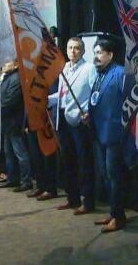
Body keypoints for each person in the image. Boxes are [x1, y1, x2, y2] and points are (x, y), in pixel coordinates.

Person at [82, 38, 127, 233]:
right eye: (95, 52)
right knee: (106, 176)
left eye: (100, 53)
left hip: (115, 134)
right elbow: (97, 100)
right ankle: (113, 211)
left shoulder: (120, 74)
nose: (96, 57)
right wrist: (89, 114)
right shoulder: (100, 74)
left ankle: (119, 217)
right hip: (98, 132)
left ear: (111, 55)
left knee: (114, 176)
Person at [49, 36, 95, 212]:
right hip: (63, 120)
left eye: (76, 48)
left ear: (82, 51)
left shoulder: (89, 68)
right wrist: (46, 100)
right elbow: (62, 96)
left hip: (80, 121)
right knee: (68, 162)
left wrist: (89, 113)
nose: (73, 51)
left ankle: (87, 201)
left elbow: (94, 94)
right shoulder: (64, 68)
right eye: (70, 48)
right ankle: (72, 198)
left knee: (84, 163)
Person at [0, 59, 32, 192]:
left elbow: (10, 101)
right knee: (9, 152)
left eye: (7, 62)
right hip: (6, 121)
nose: (4, 65)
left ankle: (26, 180)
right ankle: (13, 178)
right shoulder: (7, 77)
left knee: (20, 153)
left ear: (16, 64)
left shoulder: (16, 78)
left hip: (14, 121)